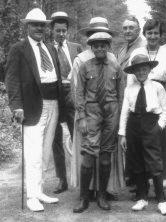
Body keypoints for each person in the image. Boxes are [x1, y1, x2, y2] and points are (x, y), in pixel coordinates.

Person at [5, 8, 62, 212]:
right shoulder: (18, 49)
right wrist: (16, 106)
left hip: (53, 103)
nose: (39, 28)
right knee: (33, 152)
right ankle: (31, 196)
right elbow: (11, 80)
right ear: (27, 26)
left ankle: (39, 191)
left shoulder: (49, 47)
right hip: (31, 106)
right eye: (35, 24)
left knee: (45, 151)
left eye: (42, 25)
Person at [70, 17, 124, 201]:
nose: (100, 48)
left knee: (106, 154)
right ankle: (85, 196)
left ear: (108, 46)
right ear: (91, 46)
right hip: (92, 112)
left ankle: (102, 195)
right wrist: (82, 117)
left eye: (104, 45)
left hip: (111, 111)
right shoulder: (84, 65)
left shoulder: (115, 65)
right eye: (96, 45)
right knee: (88, 154)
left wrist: (119, 118)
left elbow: (120, 93)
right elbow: (78, 93)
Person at [119, 53, 166, 216]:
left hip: (151, 123)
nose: (141, 72)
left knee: (154, 161)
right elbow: (124, 112)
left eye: (144, 69)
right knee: (137, 161)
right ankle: (142, 197)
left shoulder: (157, 87)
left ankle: (161, 200)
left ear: (149, 69)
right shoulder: (130, 89)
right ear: (133, 72)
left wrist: (158, 127)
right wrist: (122, 134)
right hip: (133, 125)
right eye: (137, 70)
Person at [128, 19, 166, 191]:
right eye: (150, 33)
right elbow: (131, 77)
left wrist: (160, 94)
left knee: (160, 137)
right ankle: (142, 181)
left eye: (156, 33)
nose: (153, 36)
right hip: (141, 95)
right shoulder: (137, 52)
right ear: (145, 34)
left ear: (161, 34)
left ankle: (162, 178)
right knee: (142, 140)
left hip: (161, 94)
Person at [50, 11, 82, 194]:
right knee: (55, 138)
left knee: (76, 135)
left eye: (64, 31)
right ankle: (62, 179)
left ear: (68, 31)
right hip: (54, 95)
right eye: (58, 31)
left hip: (72, 96)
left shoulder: (76, 48)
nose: (61, 34)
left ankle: (81, 178)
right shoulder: (46, 48)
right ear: (52, 30)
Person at [116, 15, 146, 194]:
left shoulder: (141, 47)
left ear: (138, 30)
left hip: (137, 97)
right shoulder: (121, 49)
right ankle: (131, 174)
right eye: (125, 28)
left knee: (137, 139)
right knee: (127, 137)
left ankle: (139, 179)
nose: (127, 31)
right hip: (122, 96)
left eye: (131, 28)